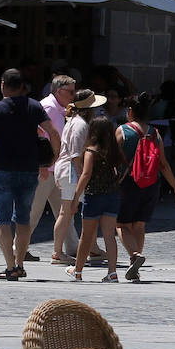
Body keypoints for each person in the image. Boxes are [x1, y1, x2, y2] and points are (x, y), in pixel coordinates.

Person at [0, 68, 58, 281]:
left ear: (2, 85)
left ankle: (10, 267)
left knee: (2, 220)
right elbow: (53, 133)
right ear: (22, 87)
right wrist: (52, 159)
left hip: (3, 169)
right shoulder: (34, 107)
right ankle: (20, 263)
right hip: (29, 169)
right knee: (23, 219)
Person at [117, 91, 175, 282]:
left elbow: (111, 158)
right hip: (151, 183)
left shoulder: (122, 130)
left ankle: (134, 256)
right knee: (139, 224)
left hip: (128, 183)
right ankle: (135, 267)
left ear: (130, 111)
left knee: (121, 224)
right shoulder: (155, 133)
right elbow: (163, 164)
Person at [27, 74, 83, 262]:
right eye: (71, 91)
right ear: (59, 91)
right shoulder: (48, 108)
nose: (74, 95)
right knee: (34, 211)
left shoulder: (61, 108)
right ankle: (19, 247)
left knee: (65, 212)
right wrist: (41, 164)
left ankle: (74, 248)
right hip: (46, 169)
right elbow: (38, 137)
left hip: (57, 170)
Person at [67, 116, 126, 282]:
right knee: (109, 235)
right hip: (112, 196)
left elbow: (86, 175)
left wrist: (75, 198)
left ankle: (77, 271)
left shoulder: (91, 151)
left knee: (86, 235)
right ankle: (112, 272)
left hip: (94, 197)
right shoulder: (114, 151)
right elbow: (121, 170)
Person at [51, 88, 104, 266]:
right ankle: (58, 252)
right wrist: (85, 177)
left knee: (78, 211)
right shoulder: (80, 124)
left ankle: (92, 247)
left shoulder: (76, 121)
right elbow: (75, 156)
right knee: (67, 212)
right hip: (71, 172)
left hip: (69, 171)